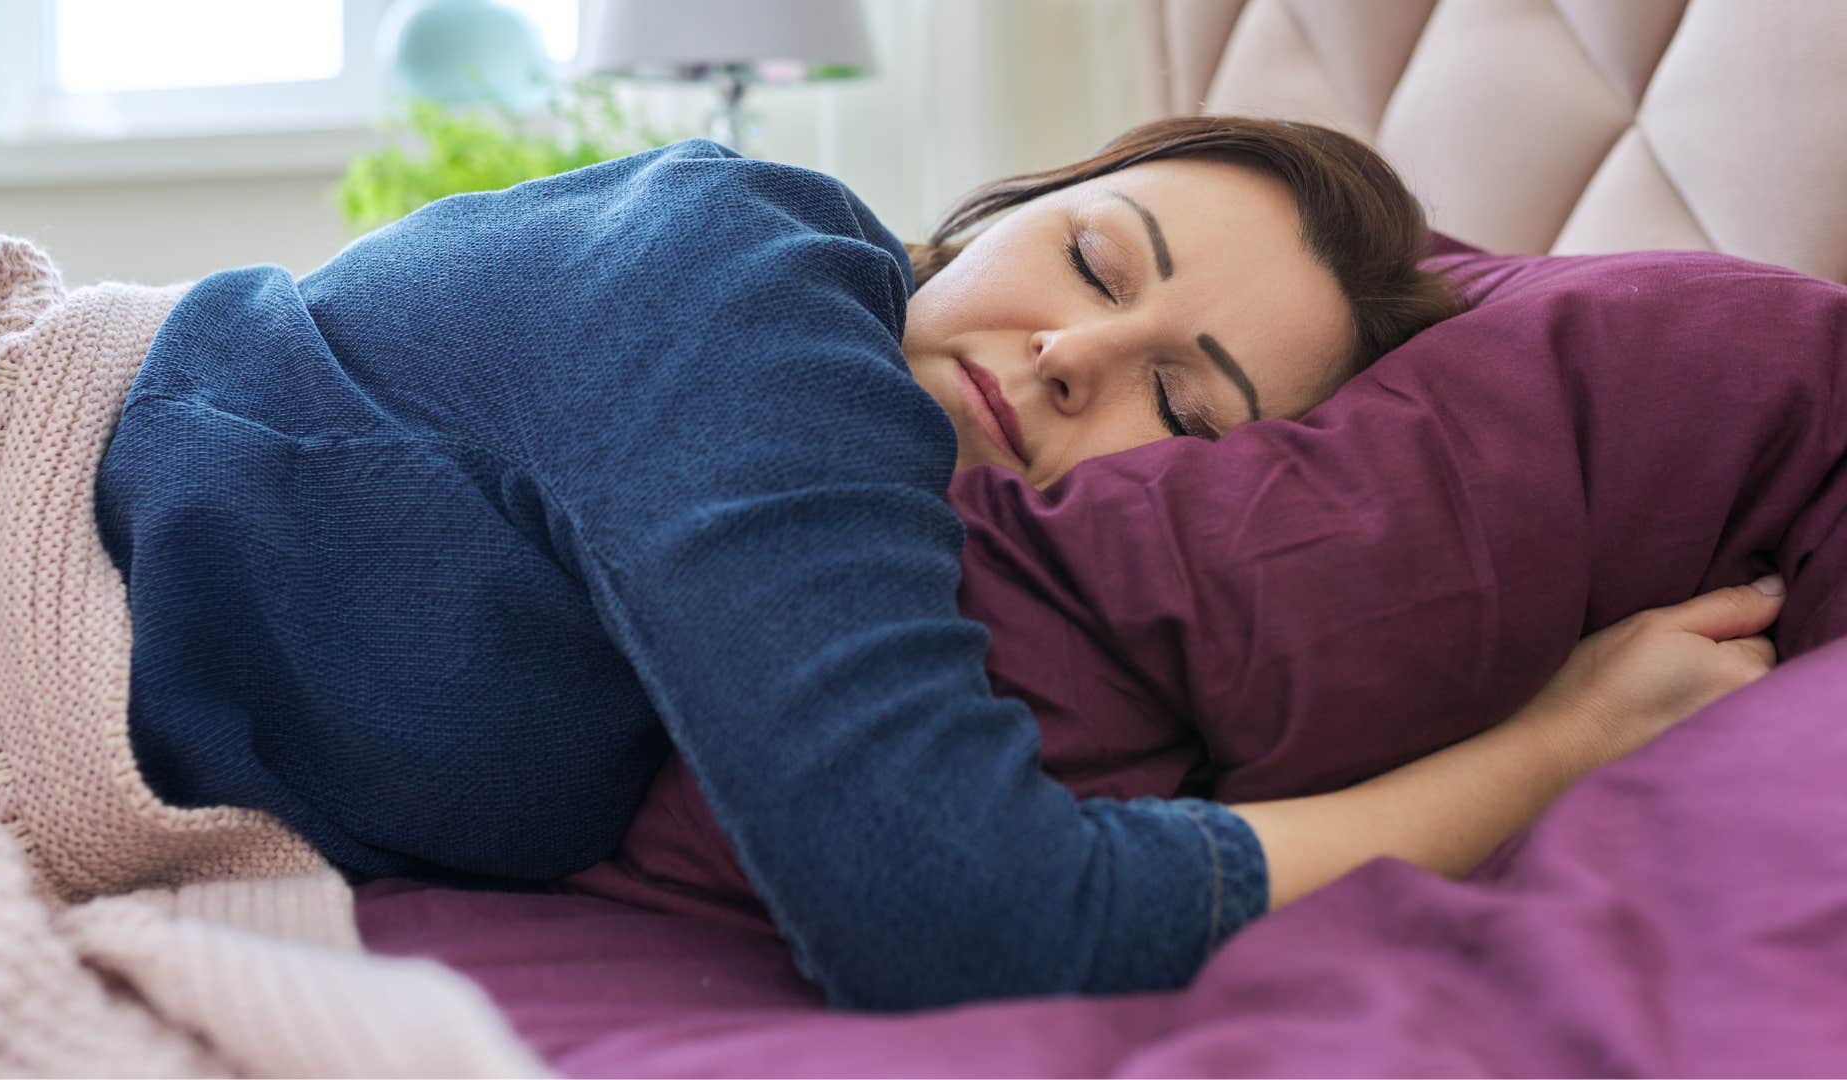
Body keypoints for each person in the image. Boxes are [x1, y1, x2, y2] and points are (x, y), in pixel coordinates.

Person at [90, 116, 1783, 1012]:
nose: (1073, 355)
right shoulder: (743, 285)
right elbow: (973, 917)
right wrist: (1550, 754)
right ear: (984, 218)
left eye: (1184, 407)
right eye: (1093, 255)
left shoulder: (890, 543)